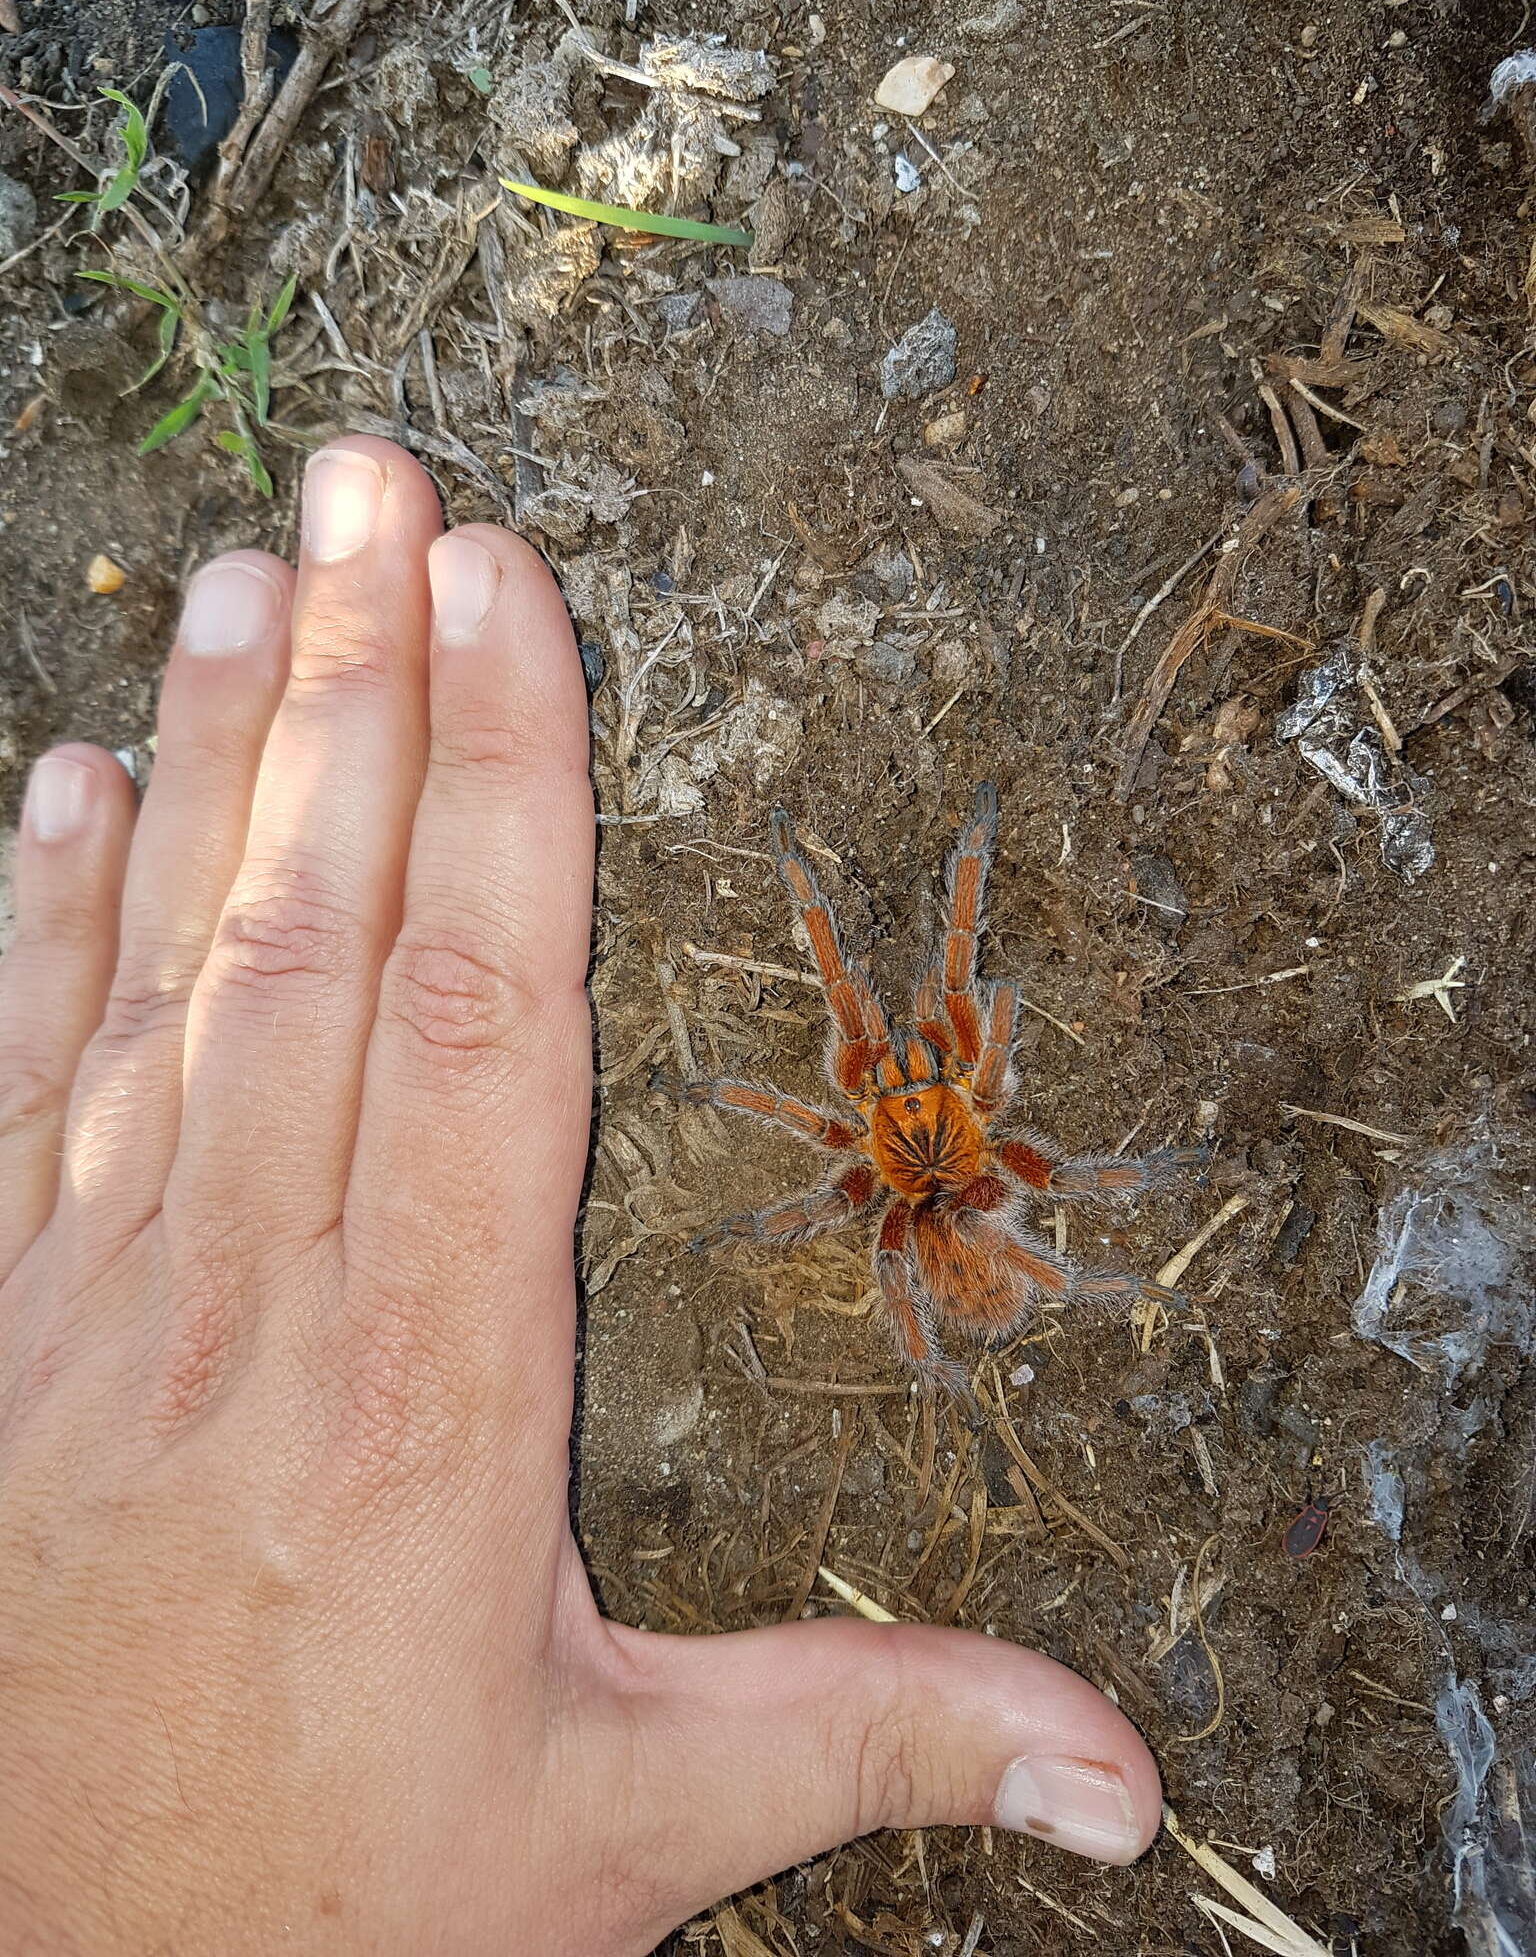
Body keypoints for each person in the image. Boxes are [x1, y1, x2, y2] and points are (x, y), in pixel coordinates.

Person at [0, 439, 1162, 1952]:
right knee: (937, 1100)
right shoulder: (897, 1142)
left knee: (957, 1108)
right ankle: (1068, 1279)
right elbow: (892, 1092)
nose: (895, 1084)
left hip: (936, 1225)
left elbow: (926, 1060)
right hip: (929, 1228)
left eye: (912, 1086)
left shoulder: (904, 1129)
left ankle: (1083, 1276)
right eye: (885, 1092)